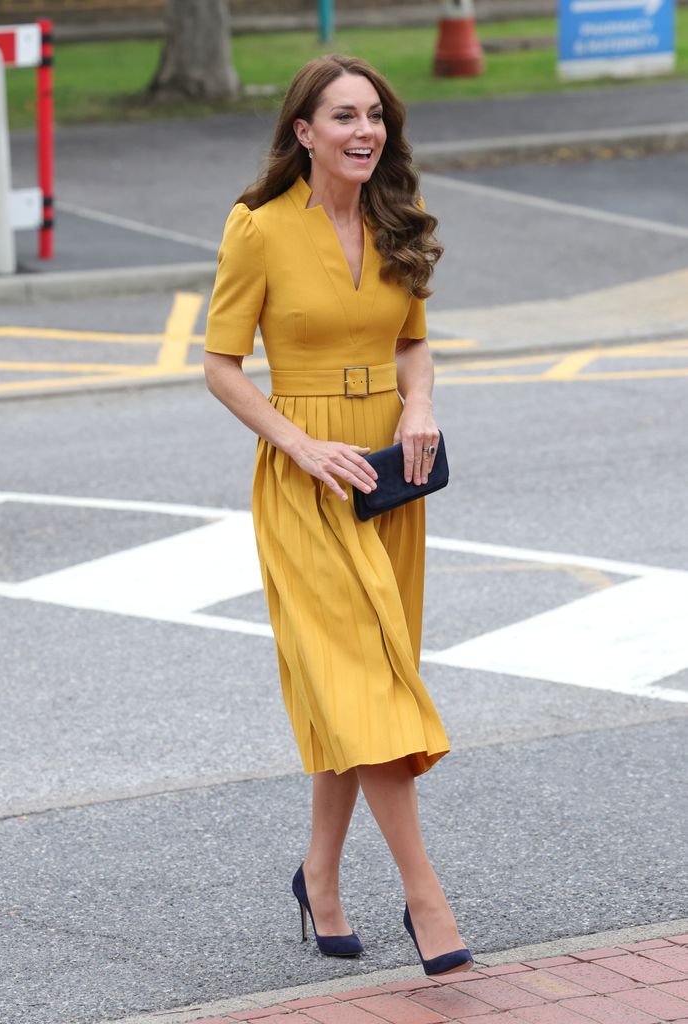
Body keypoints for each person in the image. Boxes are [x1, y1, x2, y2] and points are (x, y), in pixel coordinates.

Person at [203, 53, 473, 977]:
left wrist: (421, 404)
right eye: (343, 116)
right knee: (368, 687)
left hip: (390, 473)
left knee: (355, 687)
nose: (364, 131)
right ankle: (425, 900)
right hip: (306, 475)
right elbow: (221, 366)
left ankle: (318, 877)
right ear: (303, 133)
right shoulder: (259, 229)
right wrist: (300, 444)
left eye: (374, 115)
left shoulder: (396, 217)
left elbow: (412, 342)